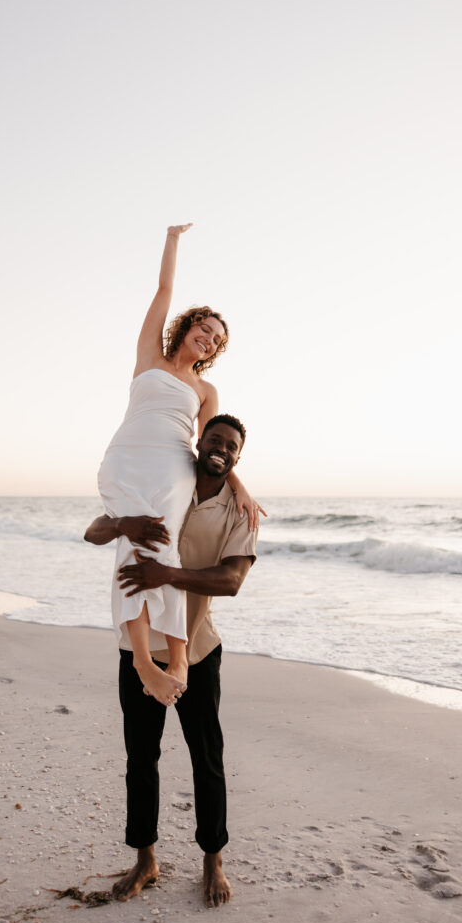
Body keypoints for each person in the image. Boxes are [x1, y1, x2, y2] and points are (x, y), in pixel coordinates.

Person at [85, 413, 257, 908]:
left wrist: (167, 575)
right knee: (141, 758)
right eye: (214, 440)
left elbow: (231, 581)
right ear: (197, 442)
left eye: (231, 446)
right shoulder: (166, 475)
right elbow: (95, 531)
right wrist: (123, 523)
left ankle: (213, 860)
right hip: (137, 649)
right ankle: (146, 860)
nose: (220, 449)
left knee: (208, 759)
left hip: (197, 649)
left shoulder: (239, 513)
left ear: (238, 457)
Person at [96, 224, 260, 708]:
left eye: (217, 340)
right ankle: (145, 661)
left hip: (172, 467)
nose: (208, 340)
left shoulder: (206, 391)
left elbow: (213, 450)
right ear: (187, 327)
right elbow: (163, 291)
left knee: (161, 551)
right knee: (131, 544)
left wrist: (241, 489)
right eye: (204, 329)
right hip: (124, 460)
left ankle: (176, 659)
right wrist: (172, 239)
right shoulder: (149, 354)